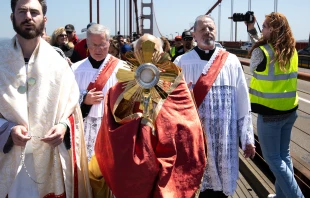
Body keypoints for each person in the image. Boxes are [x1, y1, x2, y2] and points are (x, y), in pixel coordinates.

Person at [88, 33, 207, 198]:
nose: (148, 54)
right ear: (134, 53)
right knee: (94, 170)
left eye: (153, 49)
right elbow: (111, 127)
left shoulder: (175, 82)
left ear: (162, 52)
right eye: (141, 49)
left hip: (168, 153)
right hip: (132, 158)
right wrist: (140, 124)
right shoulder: (120, 86)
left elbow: (188, 123)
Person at [0, 0, 92, 198]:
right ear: (12, 17)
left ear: (44, 19)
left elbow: (72, 109)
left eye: (34, 12)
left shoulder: (58, 63)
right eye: (22, 11)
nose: (28, 17)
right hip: (6, 159)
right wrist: (7, 129)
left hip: (50, 159)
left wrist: (62, 127)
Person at [174, 15, 255, 197]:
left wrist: (247, 137)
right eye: (202, 29)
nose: (207, 32)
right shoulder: (181, 63)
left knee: (222, 191)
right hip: (196, 137)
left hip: (226, 137)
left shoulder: (232, 61)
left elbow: (243, 99)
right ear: (194, 35)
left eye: (211, 28)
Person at [246, 12, 304, 198]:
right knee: (283, 155)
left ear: (272, 29)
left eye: (264, 26)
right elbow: (269, 50)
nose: (262, 29)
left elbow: (255, 65)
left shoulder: (260, 51)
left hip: (270, 114)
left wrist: (254, 36)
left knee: (272, 159)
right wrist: (253, 30)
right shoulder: (292, 51)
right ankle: (281, 196)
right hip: (289, 111)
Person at [71, 24, 123, 161]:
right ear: (87, 43)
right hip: (83, 129)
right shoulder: (75, 69)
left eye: (102, 45)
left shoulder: (123, 68)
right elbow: (65, 102)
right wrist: (83, 99)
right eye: (93, 45)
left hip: (111, 129)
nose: (97, 49)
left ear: (109, 42)